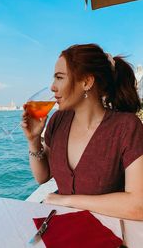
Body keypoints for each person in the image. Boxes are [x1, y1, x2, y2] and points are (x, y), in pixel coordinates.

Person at [22, 43, 143, 221]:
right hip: (62, 230)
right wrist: (33, 140)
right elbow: (42, 177)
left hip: (108, 235)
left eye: (59, 78)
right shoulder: (58, 121)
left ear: (86, 82)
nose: (52, 87)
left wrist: (67, 200)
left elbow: (138, 206)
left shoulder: (126, 127)